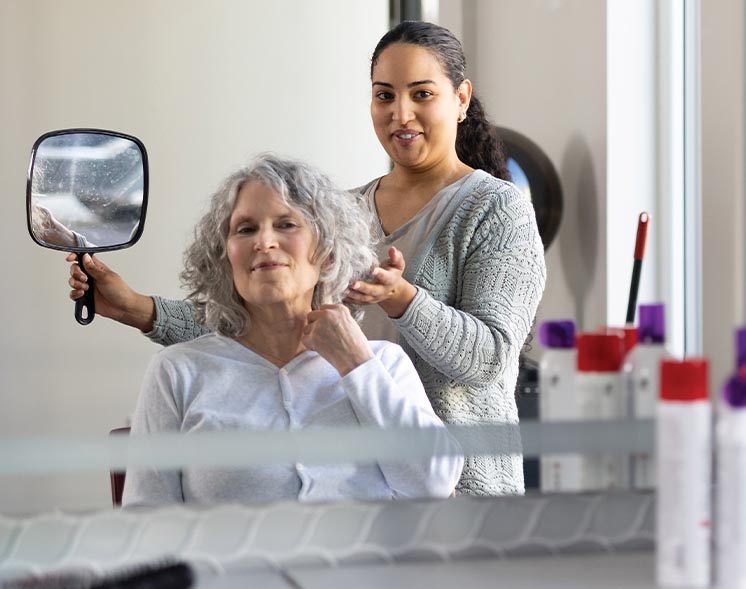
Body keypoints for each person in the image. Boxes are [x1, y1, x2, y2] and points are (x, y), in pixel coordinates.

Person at [69, 21, 546, 496]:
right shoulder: (340, 212)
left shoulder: (499, 210)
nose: (401, 114)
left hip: (459, 494)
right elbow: (264, 330)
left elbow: (490, 360)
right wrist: (138, 309)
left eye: (421, 94)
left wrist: (402, 300)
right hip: (362, 486)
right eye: (384, 96)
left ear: (461, 99)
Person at [121, 154, 464, 506]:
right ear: (226, 258)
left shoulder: (384, 363)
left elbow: (433, 484)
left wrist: (356, 364)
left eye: (286, 224)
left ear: (327, 252)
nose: (264, 242)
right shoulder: (178, 371)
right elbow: (148, 520)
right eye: (245, 229)